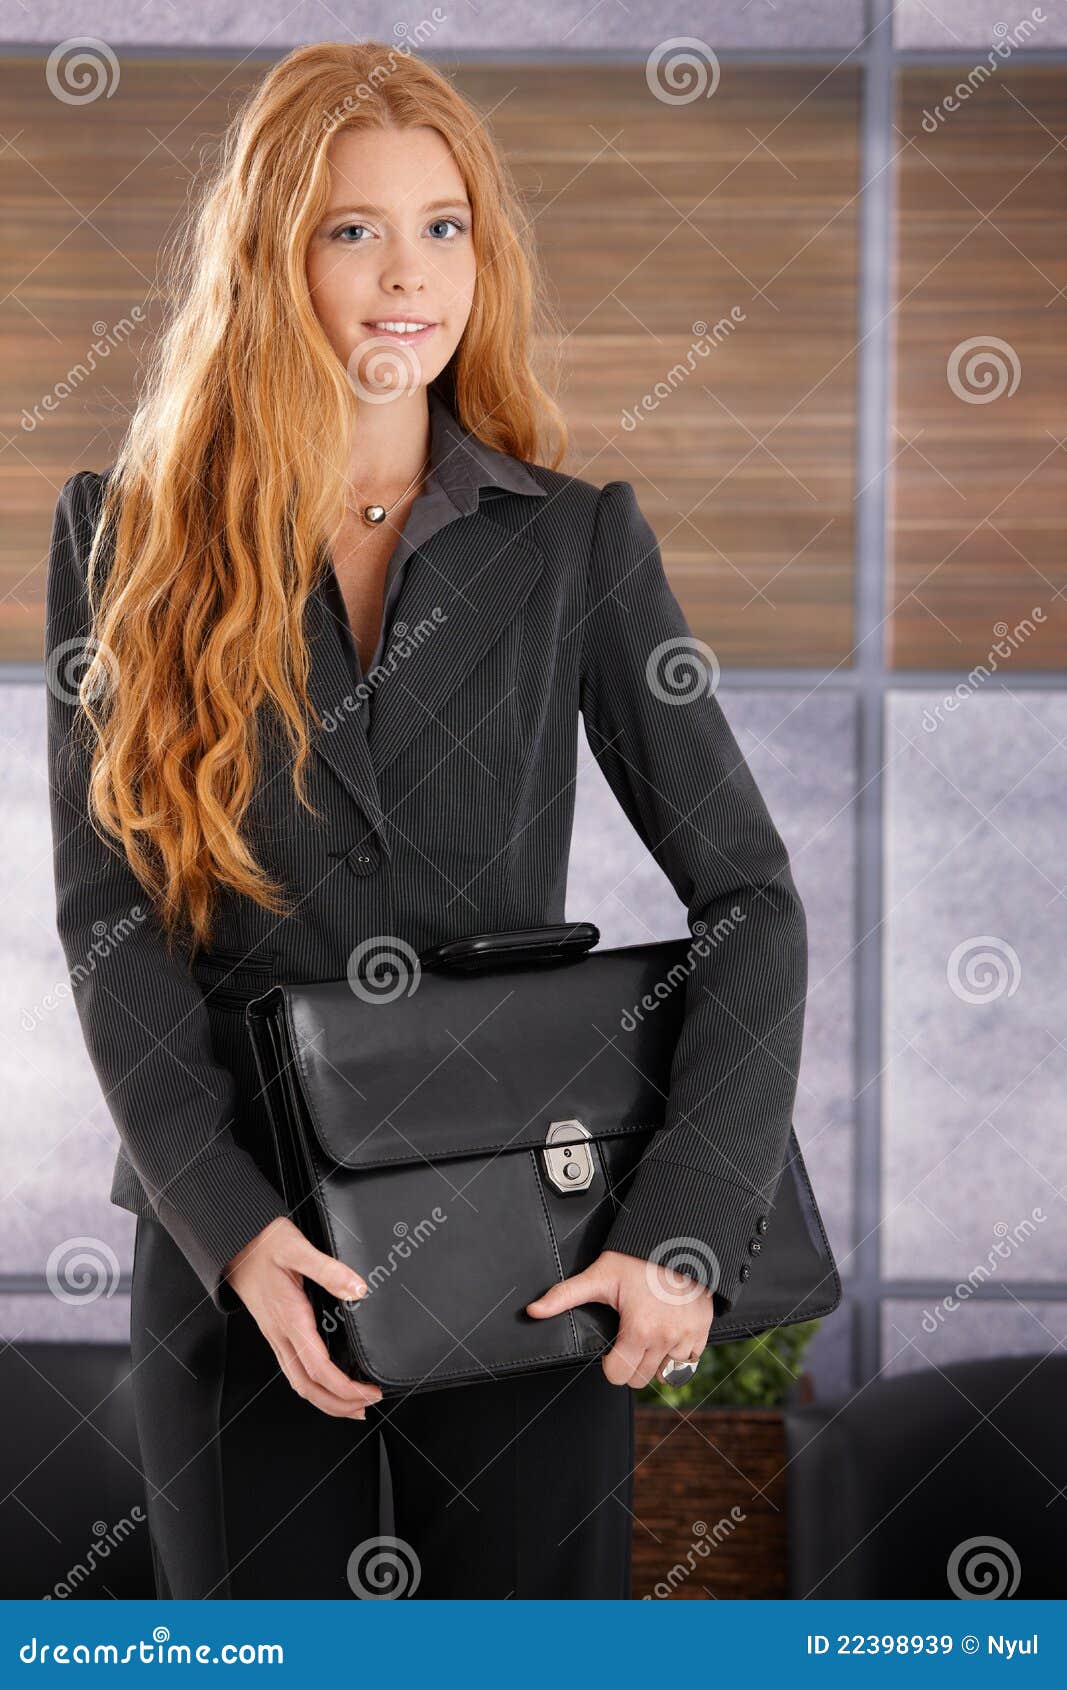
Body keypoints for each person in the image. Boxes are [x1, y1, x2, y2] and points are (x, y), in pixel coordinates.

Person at [44, 40, 807, 1600]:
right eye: (353, 230)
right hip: (239, 1260)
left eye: (444, 225)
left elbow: (752, 900)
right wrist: (232, 1225)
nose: (410, 275)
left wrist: (684, 1221)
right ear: (270, 260)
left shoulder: (575, 543)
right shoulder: (119, 537)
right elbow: (107, 920)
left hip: (527, 1248)